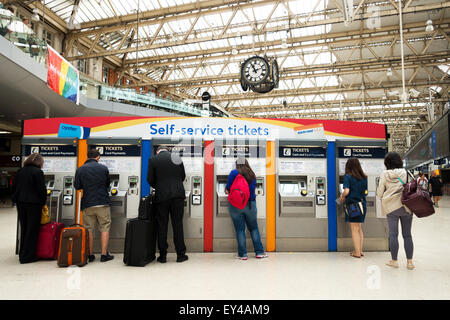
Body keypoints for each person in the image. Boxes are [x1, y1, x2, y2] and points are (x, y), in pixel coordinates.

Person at [147, 146, 188, 263]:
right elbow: (182, 176)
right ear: (168, 150)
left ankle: (163, 255)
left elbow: (149, 179)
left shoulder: (153, 159)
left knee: (162, 225)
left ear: (157, 151)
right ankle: (180, 255)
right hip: (177, 195)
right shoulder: (177, 158)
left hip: (162, 197)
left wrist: (160, 186)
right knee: (178, 224)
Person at [74, 149, 114, 263]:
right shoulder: (103, 168)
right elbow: (107, 184)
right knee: (105, 227)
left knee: (88, 229)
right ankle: (104, 254)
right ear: (98, 157)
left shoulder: (80, 169)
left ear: (87, 157)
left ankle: (90, 255)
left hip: (88, 203)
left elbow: (77, 186)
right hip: (102, 202)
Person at [376, 152, 414, 270]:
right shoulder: (406, 172)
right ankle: (409, 262)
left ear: (387, 163)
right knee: (407, 235)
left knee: (393, 235)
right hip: (407, 206)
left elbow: (379, 193)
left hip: (391, 207)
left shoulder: (384, 174)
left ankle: (394, 261)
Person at [226, 158, 268, 260]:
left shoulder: (233, 173)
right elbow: (252, 190)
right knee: (253, 228)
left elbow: (228, 189)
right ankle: (259, 252)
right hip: (250, 204)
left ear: (236, 164)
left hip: (236, 205)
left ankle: (242, 254)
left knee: (240, 229)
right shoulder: (251, 174)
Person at [12, 153, 47, 264]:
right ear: (39, 162)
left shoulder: (20, 171)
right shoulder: (38, 172)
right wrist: (43, 202)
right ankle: (29, 256)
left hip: (21, 203)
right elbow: (41, 189)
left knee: (24, 227)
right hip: (34, 204)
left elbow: (14, 187)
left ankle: (22, 254)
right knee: (32, 229)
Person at [339, 158, 367, 259]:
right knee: (359, 229)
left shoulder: (348, 176)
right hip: (362, 204)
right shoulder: (364, 177)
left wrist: (342, 197)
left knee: (354, 230)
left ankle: (357, 253)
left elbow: (346, 191)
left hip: (353, 206)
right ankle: (360, 250)